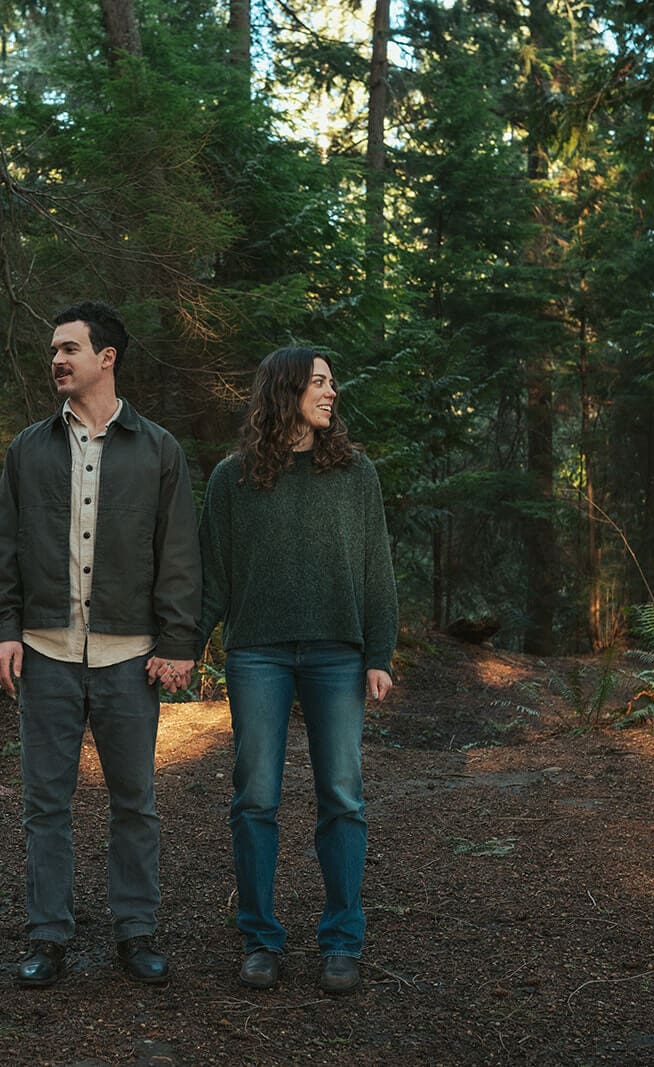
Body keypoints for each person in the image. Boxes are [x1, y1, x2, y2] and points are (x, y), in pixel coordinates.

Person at [0, 301, 200, 988]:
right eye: (54, 349)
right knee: (46, 803)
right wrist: (2, 630)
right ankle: (49, 935)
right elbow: (4, 549)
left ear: (107, 358)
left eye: (70, 348)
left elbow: (179, 556)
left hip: (128, 657)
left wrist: (177, 641)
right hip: (45, 652)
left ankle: (136, 932)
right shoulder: (29, 448)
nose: (58, 360)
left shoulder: (158, 448)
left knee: (135, 801)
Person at [197, 346, 397, 995]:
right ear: (284, 389)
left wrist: (380, 653)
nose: (331, 392)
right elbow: (213, 578)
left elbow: (376, 568)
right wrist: (184, 646)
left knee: (343, 796)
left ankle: (342, 941)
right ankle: (260, 938)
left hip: (339, 652)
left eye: (332, 382)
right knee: (255, 796)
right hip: (256, 652)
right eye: (319, 381)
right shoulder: (232, 478)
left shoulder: (354, 471)